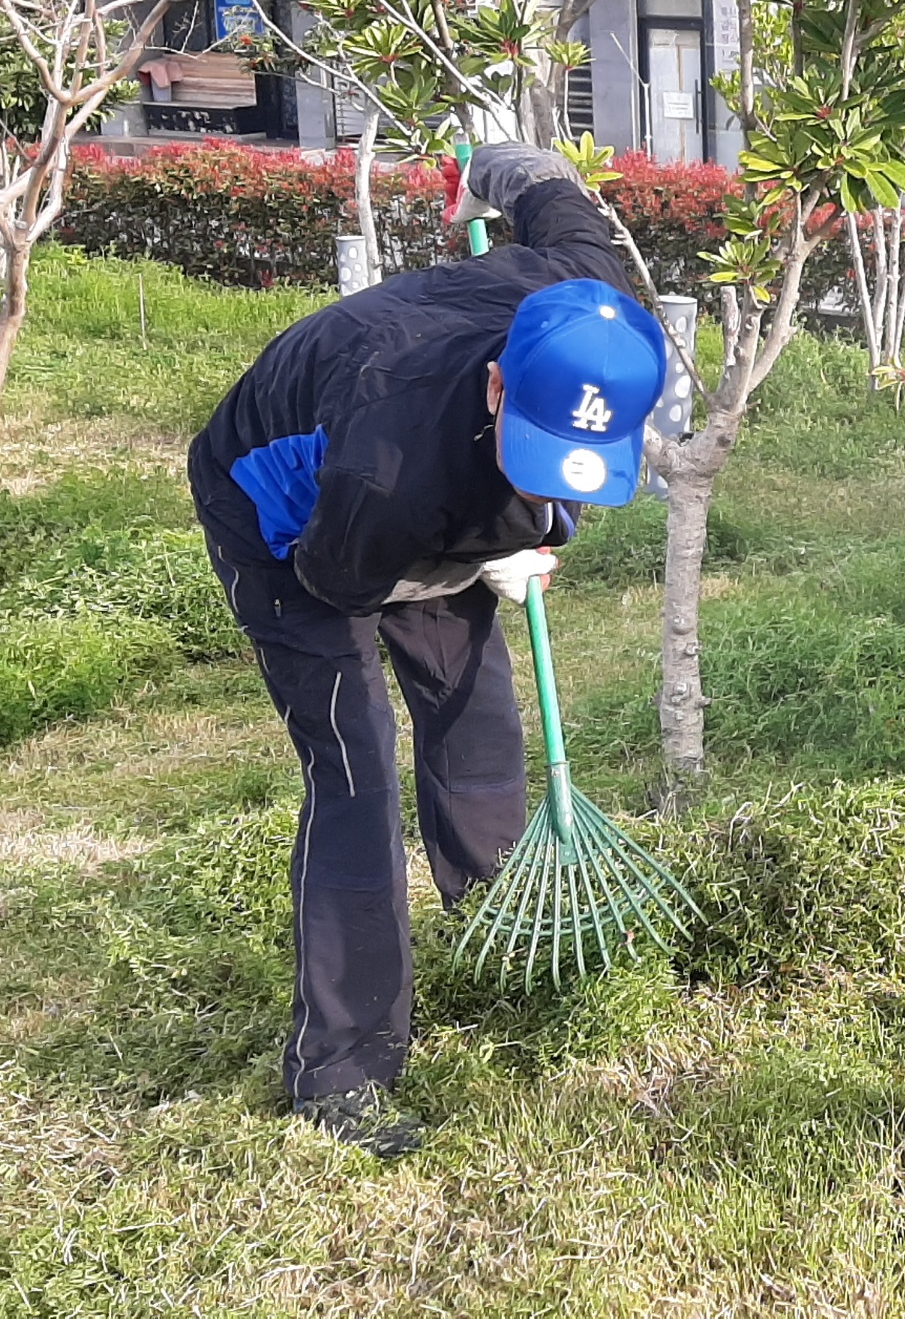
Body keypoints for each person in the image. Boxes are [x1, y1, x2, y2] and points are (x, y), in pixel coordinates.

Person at [188, 144, 668, 1158]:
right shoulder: (384, 471)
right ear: (498, 386)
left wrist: (475, 175)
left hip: (431, 487)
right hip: (290, 516)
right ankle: (341, 1067)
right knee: (355, 762)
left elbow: (533, 174)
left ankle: (497, 931)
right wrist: (480, 562)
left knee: (474, 711)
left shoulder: (593, 297)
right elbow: (341, 585)